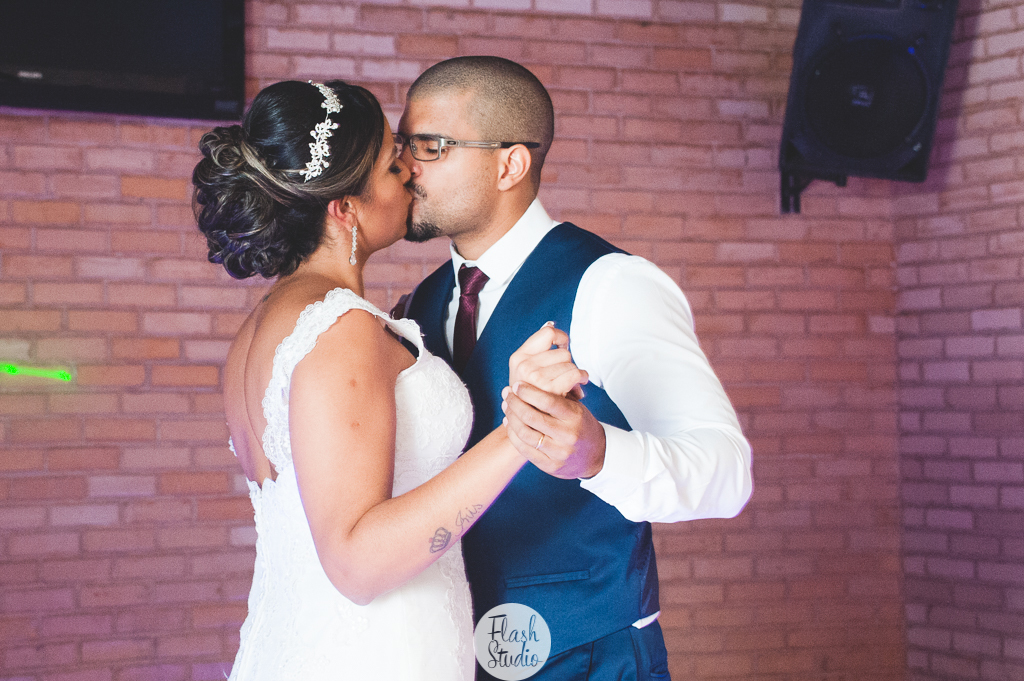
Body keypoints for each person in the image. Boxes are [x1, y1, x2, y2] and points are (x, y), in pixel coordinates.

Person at [192, 80, 586, 681]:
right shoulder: (339, 327)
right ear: (344, 208)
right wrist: (520, 431)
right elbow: (357, 563)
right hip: (371, 656)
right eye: (390, 161)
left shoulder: (269, 325)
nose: (409, 169)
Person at [397, 56, 754, 680]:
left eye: (431, 147)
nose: (406, 167)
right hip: (452, 651)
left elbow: (727, 474)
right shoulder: (421, 304)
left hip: (592, 657)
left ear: (511, 163)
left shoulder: (613, 285)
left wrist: (599, 456)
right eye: (405, 145)